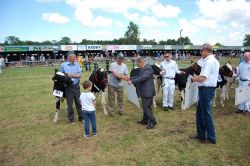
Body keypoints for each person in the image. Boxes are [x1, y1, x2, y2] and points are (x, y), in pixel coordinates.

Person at [190, 43, 219, 144]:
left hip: (206, 90)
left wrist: (193, 79)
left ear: (206, 50)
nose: (201, 52)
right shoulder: (211, 60)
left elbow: (203, 78)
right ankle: (201, 134)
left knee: (206, 114)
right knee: (200, 113)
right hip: (204, 89)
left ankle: (211, 138)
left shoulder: (209, 61)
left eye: (201, 50)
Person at [128, 57, 157, 129]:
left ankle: (153, 121)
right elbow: (138, 76)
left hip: (148, 91)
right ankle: (145, 120)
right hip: (145, 91)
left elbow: (143, 77)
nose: (137, 65)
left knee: (146, 107)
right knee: (145, 106)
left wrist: (132, 81)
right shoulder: (144, 68)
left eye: (138, 64)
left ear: (141, 62)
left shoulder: (148, 68)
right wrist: (130, 78)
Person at [60, 51, 83, 125]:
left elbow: (80, 75)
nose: (75, 58)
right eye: (74, 57)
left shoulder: (77, 64)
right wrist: (67, 75)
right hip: (68, 87)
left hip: (76, 86)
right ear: (69, 57)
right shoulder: (63, 65)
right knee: (69, 104)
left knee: (79, 103)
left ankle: (81, 118)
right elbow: (62, 76)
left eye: (75, 57)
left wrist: (71, 75)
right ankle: (71, 119)